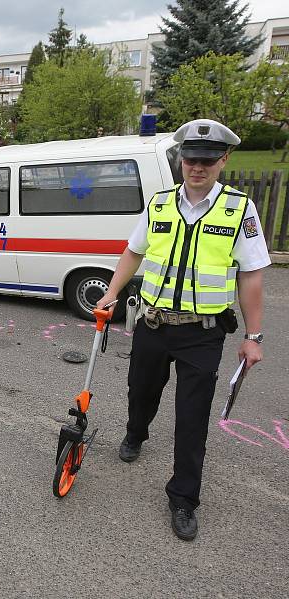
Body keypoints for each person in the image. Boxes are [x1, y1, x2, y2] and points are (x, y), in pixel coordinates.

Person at [95, 118, 270, 541]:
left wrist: (253, 336)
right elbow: (132, 253)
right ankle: (136, 433)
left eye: (208, 160)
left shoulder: (237, 209)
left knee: (192, 419)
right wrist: (111, 293)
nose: (198, 166)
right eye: (191, 158)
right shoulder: (159, 204)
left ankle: (184, 499)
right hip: (153, 324)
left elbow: (251, 276)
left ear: (223, 160)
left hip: (202, 333)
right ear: (180, 160)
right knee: (142, 392)